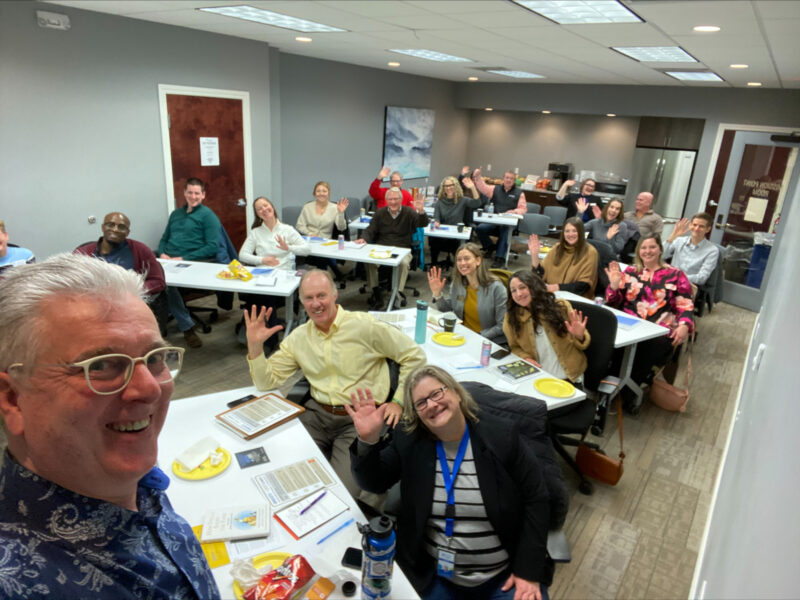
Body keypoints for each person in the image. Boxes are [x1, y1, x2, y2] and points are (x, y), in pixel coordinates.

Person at [0, 254, 219, 599]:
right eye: (101, 365)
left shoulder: (121, 477)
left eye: (155, 358)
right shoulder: (20, 581)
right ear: (13, 398)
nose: (149, 388)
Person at [347, 365, 551, 600]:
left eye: (437, 394)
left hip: (504, 577)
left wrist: (527, 570)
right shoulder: (410, 439)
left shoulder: (501, 436)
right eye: (421, 403)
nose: (431, 405)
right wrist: (368, 440)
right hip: (436, 576)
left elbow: (537, 498)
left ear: (456, 392)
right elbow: (374, 483)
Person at [244, 269, 426, 505]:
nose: (316, 303)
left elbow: (414, 356)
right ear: (301, 301)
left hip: (357, 419)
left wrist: (399, 401)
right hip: (316, 415)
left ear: (335, 294)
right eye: (309, 298)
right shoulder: (298, 338)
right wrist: (255, 347)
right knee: (280, 474)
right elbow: (266, 381)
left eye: (322, 295)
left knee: (342, 496)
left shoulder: (365, 327)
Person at [605, 235, 694, 396]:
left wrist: (684, 325)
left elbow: (685, 305)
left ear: (660, 249)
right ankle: (609, 388)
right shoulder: (631, 272)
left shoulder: (676, 275)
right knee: (611, 343)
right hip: (629, 324)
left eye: (652, 247)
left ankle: (628, 393)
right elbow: (613, 301)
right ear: (638, 252)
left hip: (658, 330)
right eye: (643, 248)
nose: (647, 251)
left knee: (644, 349)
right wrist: (614, 285)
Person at [238, 196, 311, 349]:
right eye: (259, 209)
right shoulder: (256, 232)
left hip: (283, 273)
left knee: (266, 296)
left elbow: (306, 249)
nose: (264, 210)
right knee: (258, 294)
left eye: (266, 206)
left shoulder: (287, 229)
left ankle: (269, 337)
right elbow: (242, 255)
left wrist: (288, 248)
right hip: (263, 273)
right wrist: (263, 260)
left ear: (272, 206)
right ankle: (260, 332)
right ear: (257, 214)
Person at [157, 177, 221, 348]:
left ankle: (187, 327)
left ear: (203, 195)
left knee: (167, 285)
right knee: (148, 277)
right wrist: (162, 252)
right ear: (184, 193)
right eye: (190, 192)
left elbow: (213, 247)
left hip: (194, 261)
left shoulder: (208, 216)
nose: (193, 196)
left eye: (197, 193)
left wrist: (183, 258)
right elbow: (164, 239)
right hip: (168, 259)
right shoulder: (176, 214)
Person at [503, 270, 590, 384]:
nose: (518, 294)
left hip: (570, 377)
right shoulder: (511, 318)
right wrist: (525, 358)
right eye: (513, 290)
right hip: (537, 377)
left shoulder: (560, 307)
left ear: (534, 286)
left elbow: (584, 344)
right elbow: (514, 347)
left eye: (522, 287)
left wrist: (579, 336)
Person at [355, 187, 429, 309]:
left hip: (402, 248)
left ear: (401, 199)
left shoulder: (409, 212)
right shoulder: (380, 213)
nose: (393, 202)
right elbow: (370, 229)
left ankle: (397, 295)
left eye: (396, 199)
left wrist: (420, 210)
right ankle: (376, 293)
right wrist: (364, 238)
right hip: (382, 247)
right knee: (370, 262)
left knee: (404, 263)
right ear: (386, 200)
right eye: (390, 199)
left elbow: (422, 223)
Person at [427, 243, 507, 345]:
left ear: (478, 260)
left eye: (467, 258)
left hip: (486, 341)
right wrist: (437, 294)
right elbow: (450, 312)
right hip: (461, 337)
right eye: (459, 260)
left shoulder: (496, 288)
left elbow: (503, 325)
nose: (462, 263)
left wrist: (477, 336)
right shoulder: (457, 284)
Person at [74, 211, 165, 297]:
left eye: (121, 227)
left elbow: (158, 282)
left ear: (127, 232)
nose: (115, 230)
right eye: (111, 225)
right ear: (102, 227)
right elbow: (71, 280)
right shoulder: (82, 253)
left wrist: (130, 290)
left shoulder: (141, 250)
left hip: (128, 302)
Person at [527, 217, 599, 299]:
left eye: (574, 231)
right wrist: (534, 256)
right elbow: (540, 275)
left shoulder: (590, 252)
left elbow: (584, 286)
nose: (570, 234)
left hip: (575, 299)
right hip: (552, 295)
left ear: (581, 232)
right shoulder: (557, 248)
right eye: (567, 231)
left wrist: (556, 287)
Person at [470, 167, 527, 267]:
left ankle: (499, 258)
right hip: (495, 222)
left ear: (514, 181)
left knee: (505, 230)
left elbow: (523, 209)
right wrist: (478, 176)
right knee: (479, 229)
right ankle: (489, 247)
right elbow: (482, 187)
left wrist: (514, 211)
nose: (508, 180)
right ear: (503, 179)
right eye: (507, 177)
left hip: (509, 224)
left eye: (511, 178)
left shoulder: (519, 193)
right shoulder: (495, 189)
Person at [295, 181, 349, 282]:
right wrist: (310, 233)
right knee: (320, 259)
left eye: (324, 191)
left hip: (326, 242)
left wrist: (341, 213)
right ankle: (332, 275)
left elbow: (341, 227)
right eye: (318, 191)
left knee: (322, 258)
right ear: (314, 193)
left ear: (328, 193)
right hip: (309, 241)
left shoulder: (334, 208)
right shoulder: (307, 207)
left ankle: (324, 279)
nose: (321, 193)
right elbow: (299, 225)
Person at [429, 175, 482, 267]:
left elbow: (477, 203)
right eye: (446, 186)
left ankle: (459, 269)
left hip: (456, 235)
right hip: (442, 234)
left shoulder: (463, 200)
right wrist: (436, 221)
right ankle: (434, 266)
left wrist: (473, 187)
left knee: (456, 247)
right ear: (443, 188)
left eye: (451, 185)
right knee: (433, 241)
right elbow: (436, 217)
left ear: (456, 186)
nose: (449, 188)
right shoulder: (440, 202)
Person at [663, 212, 720, 289]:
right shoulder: (679, 241)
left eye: (701, 226)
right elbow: (662, 255)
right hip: (669, 281)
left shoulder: (712, 250)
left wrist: (678, 277)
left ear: (708, 229)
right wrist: (672, 237)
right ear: (690, 225)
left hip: (689, 286)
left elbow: (702, 278)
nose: (696, 229)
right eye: (694, 225)